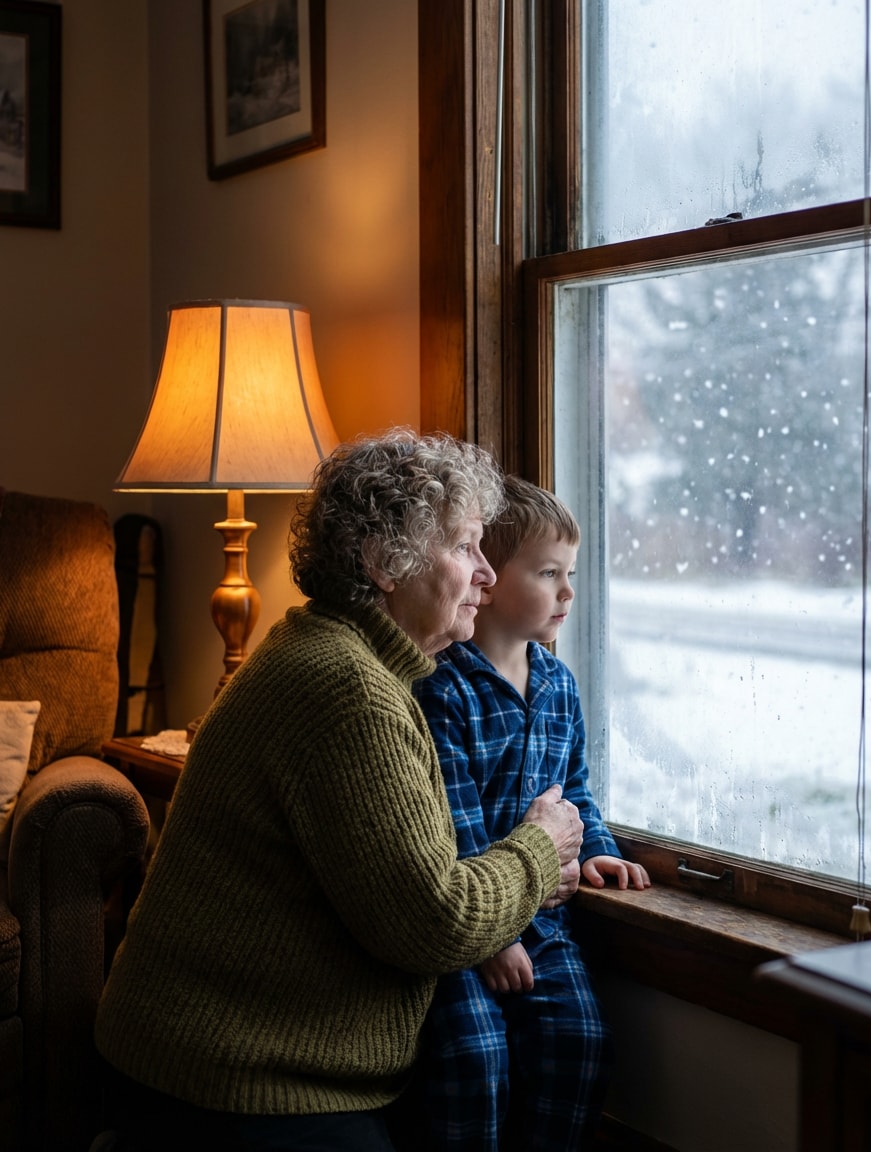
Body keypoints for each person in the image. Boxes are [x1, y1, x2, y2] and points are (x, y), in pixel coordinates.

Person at [93, 431, 585, 1152]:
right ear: (384, 562)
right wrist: (541, 848)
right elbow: (437, 923)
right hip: (233, 1083)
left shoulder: (337, 653)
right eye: (465, 547)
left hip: (248, 1066)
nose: (486, 573)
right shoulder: (347, 689)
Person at [411, 475, 650, 1152]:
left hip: (546, 924)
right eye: (549, 574)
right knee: (474, 1059)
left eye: (570, 574)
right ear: (486, 580)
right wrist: (490, 941)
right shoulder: (442, 687)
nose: (568, 592)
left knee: (580, 1041)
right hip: (464, 934)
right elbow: (453, 825)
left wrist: (598, 848)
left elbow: (574, 790)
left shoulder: (558, 685)